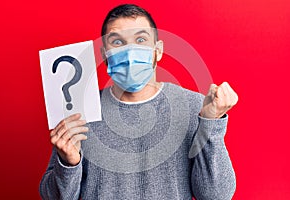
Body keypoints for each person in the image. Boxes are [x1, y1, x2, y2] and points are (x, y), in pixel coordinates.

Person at [39, 4, 238, 200]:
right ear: (104, 55)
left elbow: (216, 195)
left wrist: (211, 124)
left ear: (158, 50)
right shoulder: (82, 111)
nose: (130, 52)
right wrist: (69, 163)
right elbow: (52, 196)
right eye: (117, 42)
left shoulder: (194, 106)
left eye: (141, 40)